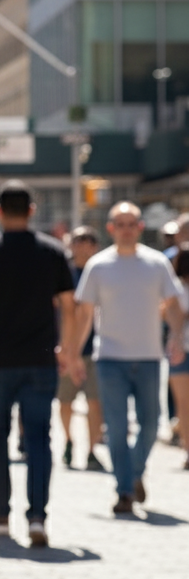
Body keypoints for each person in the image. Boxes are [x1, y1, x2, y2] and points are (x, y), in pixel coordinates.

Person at [0, 180, 76, 548]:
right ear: (31, 210)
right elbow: (70, 307)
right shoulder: (54, 252)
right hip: (40, 359)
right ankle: (38, 518)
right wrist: (68, 349)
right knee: (40, 437)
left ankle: (1, 515)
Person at [74, 202, 185, 514]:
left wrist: (177, 337)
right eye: (120, 223)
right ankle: (124, 490)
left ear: (139, 228)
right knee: (117, 428)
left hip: (149, 357)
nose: (126, 228)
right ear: (111, 228)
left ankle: (134, 473)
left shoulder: (156, 263)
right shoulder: (98, 265)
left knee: (151, 423)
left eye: (131, 223)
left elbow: (173, 304)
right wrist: (73, 353)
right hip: (109, 358)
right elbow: (84, 315)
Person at [57, 226, 105, 471]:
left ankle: (92, 449)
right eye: (78, 241)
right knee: (65, 401)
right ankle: (68, 440)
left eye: (88, 241)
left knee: (95, 402)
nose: (83, 246)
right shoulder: (62, 272)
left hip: (96, 348)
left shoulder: (102, 271)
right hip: (66, 347)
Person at [169, 246, 189, 470]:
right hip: (179, 349)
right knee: (184, 405)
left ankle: (187, 450)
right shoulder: (174, 289)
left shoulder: (174, 289)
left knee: (184, 405)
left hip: (177, 349)